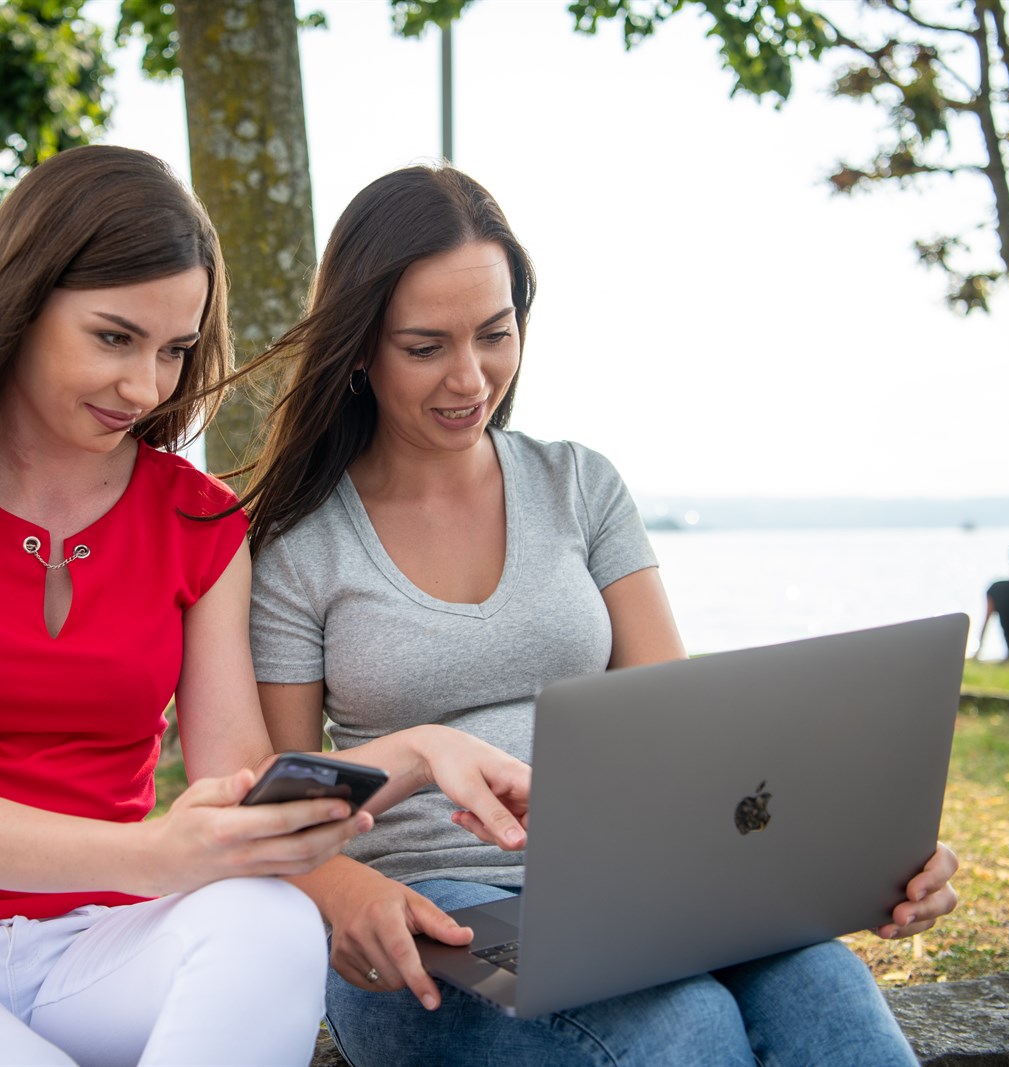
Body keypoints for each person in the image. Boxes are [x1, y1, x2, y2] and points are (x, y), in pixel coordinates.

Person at [0, 146, 531, 1067]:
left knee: (266, 917)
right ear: (19, 304)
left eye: (175, 350)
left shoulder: (199, 520)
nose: (147, 387)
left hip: (107, 950)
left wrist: (419, 751)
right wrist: (157, 855)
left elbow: (249, 785)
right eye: (113, 338)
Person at [238, 164, 960, 1066]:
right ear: (357, 349)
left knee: (830, 994)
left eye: (496, 334)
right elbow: (278, 800)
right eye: (425, 347)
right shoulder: (299, 546)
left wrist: (862, 853)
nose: (471, 377)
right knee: (684, 1029)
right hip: (421, 919)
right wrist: (342, 893)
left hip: (633, 894)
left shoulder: (579, 484)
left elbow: (684, 733)